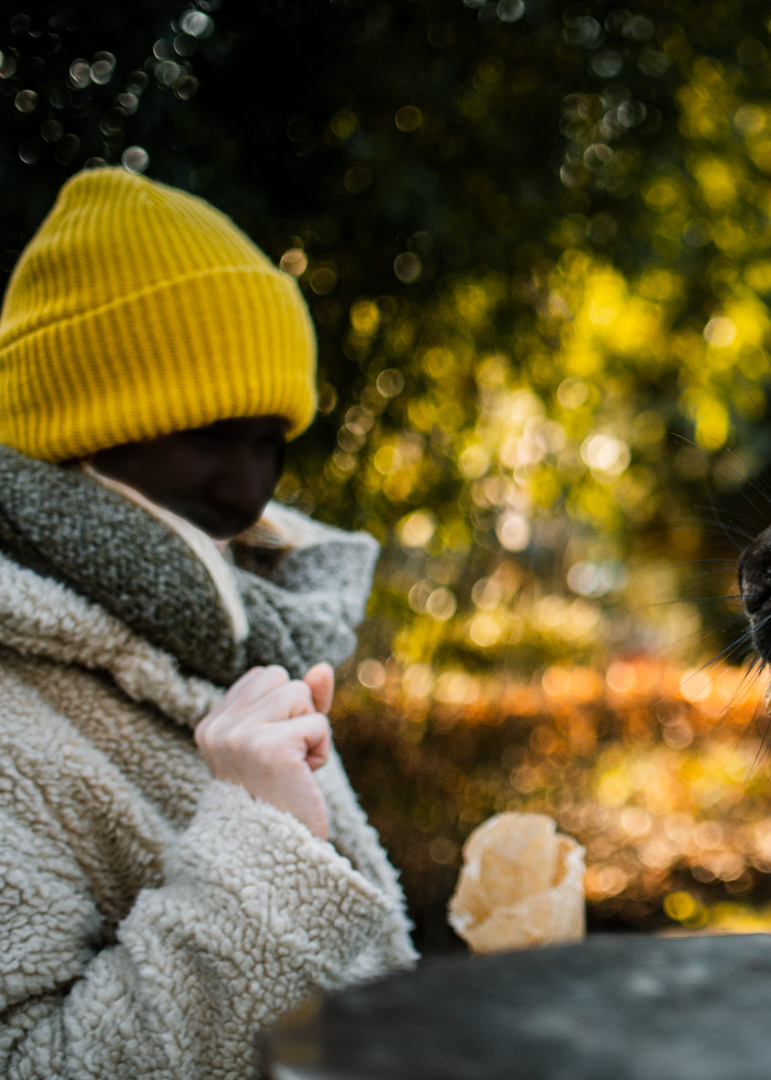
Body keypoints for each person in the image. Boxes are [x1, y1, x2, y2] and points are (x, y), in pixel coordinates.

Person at [0, 168, 415, 1078]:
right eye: (205, 434)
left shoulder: (242, 624)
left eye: (270, 441)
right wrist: (262, 850)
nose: (248, 490)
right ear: (77, 436)